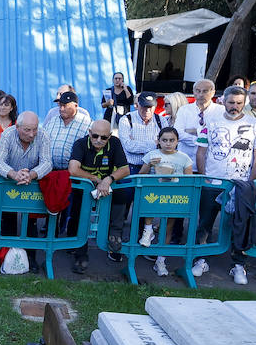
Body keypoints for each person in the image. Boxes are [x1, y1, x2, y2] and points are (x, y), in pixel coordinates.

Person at [191, 86, 256, 285]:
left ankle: (238, 265)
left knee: (240, 225)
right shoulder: (211, 121)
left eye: (239, 103)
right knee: (205, 223)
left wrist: (250, 181)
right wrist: (205, 177)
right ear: (223, 100)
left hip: (241, 184)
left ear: (245, 102)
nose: (235, 107)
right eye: (231, 102)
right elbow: (201, 151)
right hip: (213, 181)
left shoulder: (255, 124)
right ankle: (201, 259)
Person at [67, 119, 131, 273]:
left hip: (106, 186)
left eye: (103, 137)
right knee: (79, 210)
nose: (98, 140)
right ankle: (80, 254)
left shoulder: (115, 143)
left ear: (109, 136)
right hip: (86, 187)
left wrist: (108, 179)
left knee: (123, 194)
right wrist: (96, 180)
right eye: (95, 136)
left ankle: (115, 235)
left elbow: (125, 170)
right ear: (89, 133)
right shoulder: (80, 144)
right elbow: (73, 170)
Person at [137, 126, 195, 264]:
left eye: (171, 140)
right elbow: (140, 175)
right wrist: (150, 165)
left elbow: (190, 179)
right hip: (155, 195)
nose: (168, 143)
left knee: (168, 227)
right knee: (149, 205)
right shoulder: (152, 155)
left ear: (177, 141)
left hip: (175, 196)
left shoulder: (184, 158)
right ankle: (148, 230)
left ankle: (161, 260)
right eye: (164, 140)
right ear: (158, 141)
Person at [41, 92, 91, 177]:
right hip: (50, 172)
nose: (61, 109)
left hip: (74, 175)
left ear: (75, 106)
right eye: (60, 105)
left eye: (65, 105)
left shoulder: (87, 123)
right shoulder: (52, 121)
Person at [174, 79, 222, 158]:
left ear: (213, 93)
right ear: (193, 92)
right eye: (198, 91)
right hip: (185, 160)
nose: (201, 94)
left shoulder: (220, 111)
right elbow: (178, 133)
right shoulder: (184, 109)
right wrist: (201, 140)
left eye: (205, 91)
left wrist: (195, 131)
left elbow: (218, 135)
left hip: (209, 161)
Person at [117, 93, 165, 160]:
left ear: (155, 107)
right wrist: (155, 143)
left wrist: (136, 143)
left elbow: (166, 145)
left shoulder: (161, 120)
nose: (147, 110)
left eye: (150, 107)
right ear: (137, 105)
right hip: (133, 166)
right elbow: (128, 146)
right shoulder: (126, 120)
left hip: (155, 166)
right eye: (144, 106)